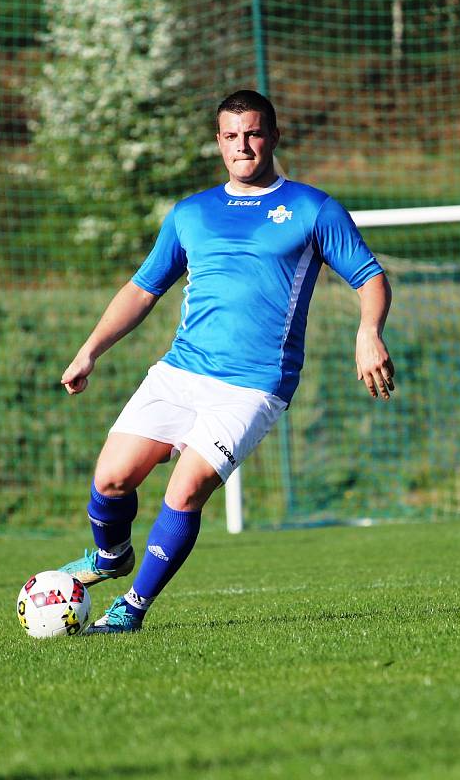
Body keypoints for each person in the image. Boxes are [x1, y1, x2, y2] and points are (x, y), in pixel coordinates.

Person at [59, 90, 395, 633]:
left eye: (254, 133)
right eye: (232, 136)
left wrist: (368, 332)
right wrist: (89, 351)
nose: (244, 146)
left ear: (274, 137)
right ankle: (110, 558)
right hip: (180, 371)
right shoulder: (190, 213)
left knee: (185, 488)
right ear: (218, 142)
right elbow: (143, 290)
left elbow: (369, 277)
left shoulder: (313, 208)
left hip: (255, 383)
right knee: (112, 478)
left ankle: (132, 609)